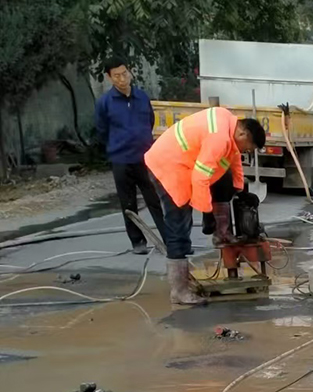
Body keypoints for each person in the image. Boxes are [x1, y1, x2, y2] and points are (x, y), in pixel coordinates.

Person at [144, 106, 266, 305]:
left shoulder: (229, 123)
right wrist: (208, 213)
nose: (247, 151)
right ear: (243, 133)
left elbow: (234, 159)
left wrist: (239, 189)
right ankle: (179, 291)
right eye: (249, 147)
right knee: (179, 225)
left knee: (224, 179)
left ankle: (222, 234)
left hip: (183, 162)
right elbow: (200, 177)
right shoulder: (220, 138)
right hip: (170, 167)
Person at [94, 56, 168, 255]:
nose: (122, 78)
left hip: (144, 158)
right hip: (120, 160)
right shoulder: (105, 103)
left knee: (154, 200)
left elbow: (150, 121)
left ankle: (168, 238)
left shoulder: (142, 97)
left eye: (124, 73)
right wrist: (116, 146)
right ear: (109, 78)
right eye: (116, 75)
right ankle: (138, 242)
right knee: (128, 203)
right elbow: (101, 131)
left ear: (130, 72)